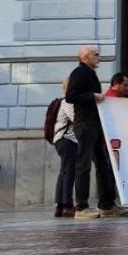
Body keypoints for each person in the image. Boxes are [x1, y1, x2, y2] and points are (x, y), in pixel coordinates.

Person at [65, 45, 125, 220]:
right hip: (85, 123)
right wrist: (93, 96)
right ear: (85, 57)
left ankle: (106, 205)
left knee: (103, 163)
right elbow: (70, 96)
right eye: (95, 54)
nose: (99, 57)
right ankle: (81, 207)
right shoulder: (79, 72)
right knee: (84, 164)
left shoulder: (89, 73)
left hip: (95, 123)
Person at [52, 80, 77, 218]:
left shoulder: (67, 101)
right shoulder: (69, 101)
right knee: (69, 172)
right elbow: (76, 119)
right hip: (67, 140)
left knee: (64, 171)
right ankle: (67, 205)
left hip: (63, 140)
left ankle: (60, 206)